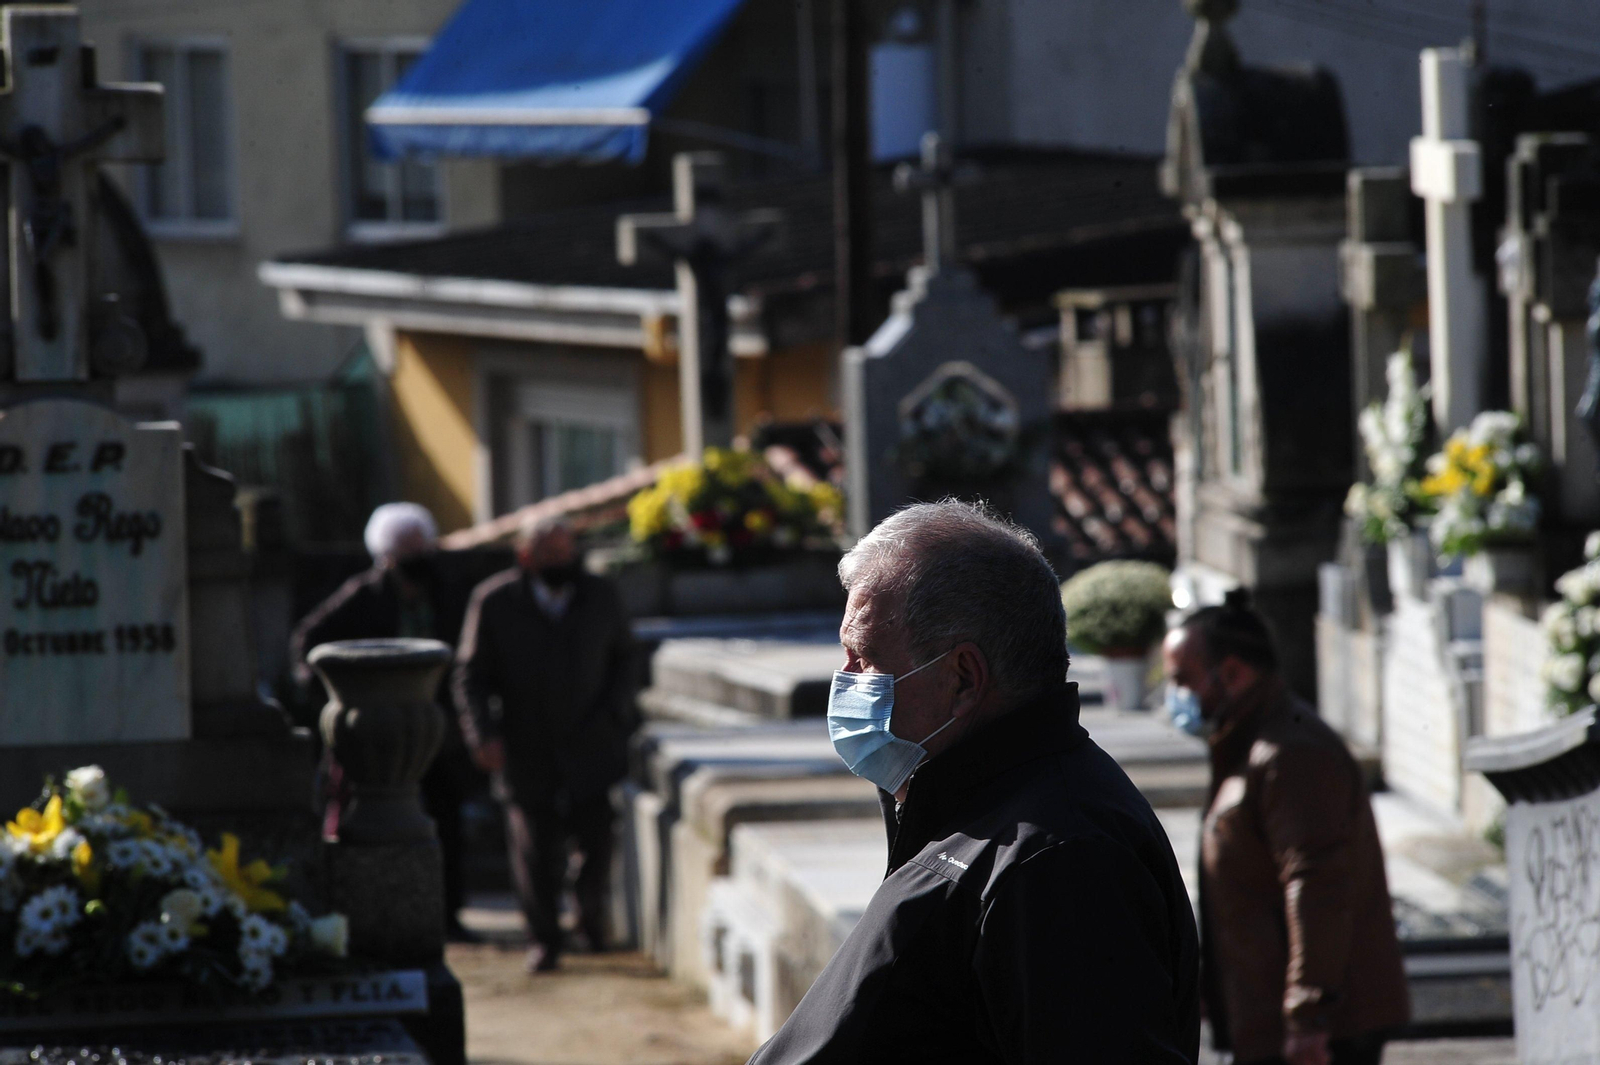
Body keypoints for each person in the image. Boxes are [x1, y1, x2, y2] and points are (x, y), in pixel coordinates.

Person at [750, 500, 1200, 1064]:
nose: (844, 682)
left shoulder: (1059, 858)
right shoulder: (972, 812)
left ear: (963, 677)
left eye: (863, 659)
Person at [1163, 590, 1409, 1065]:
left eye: (1184, 681)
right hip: (1266, 1017)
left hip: (1318, 1033)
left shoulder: (1290, 754)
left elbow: (1318, 888)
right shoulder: (1246, 744)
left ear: (1232, 672)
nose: (1179, 698)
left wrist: (1308, 1017)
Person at [453, 515, 636, 973]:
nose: (561, 561)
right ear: (525, 557)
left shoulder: (601, 594)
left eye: (565, 551)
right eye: (549, 553)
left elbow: (626, 659)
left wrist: (615, 715)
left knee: (596, 837)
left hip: (592, 740)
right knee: (532, 847)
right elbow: (469, 675)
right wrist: (483, 734)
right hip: (524, 741)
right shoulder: (494, 601)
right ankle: (544, 939)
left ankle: (589, 919)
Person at [291, 502, 478, 942]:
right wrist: (339, 700)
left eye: (423, 546)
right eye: (407, 549)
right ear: (386, 556)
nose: (419, 557)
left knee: (446, 820)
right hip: (377, 734)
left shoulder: (449, 591)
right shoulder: (363, 595)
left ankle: (448, 912)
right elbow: (307, 645)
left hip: (437, 730)